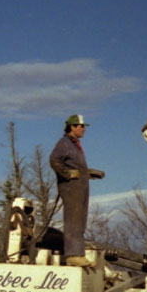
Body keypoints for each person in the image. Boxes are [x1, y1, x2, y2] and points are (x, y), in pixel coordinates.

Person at [49, 114, 103, 267]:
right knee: (74, 220)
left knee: (80, 220)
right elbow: (54, 160)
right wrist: (67, 174)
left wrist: (88, 173)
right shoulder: (64, 143)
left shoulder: (74, 145)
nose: (84, 129)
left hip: (80, 186)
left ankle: (78, 254)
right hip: (71, 187)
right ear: (72, 127)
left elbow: (73, 165)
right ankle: (73, 255)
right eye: (81, 126)